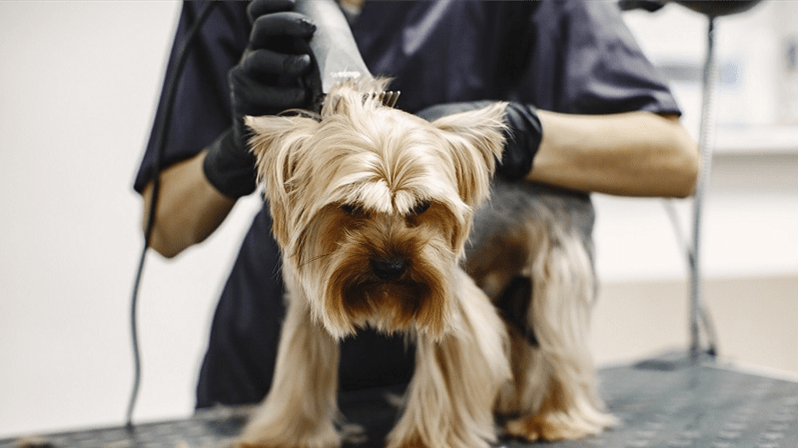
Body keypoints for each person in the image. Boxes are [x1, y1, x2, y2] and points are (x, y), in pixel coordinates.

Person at [134, 0, 698, 409]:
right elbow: (164, 228)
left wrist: (517, 133)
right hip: (268, 364)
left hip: (460, 381)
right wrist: (234, 150)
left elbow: (674, 159)